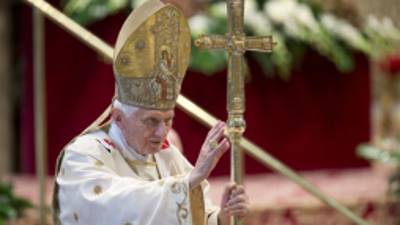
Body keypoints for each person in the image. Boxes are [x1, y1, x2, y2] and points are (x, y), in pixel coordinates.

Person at [52, 0, 250, 225]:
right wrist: (188, 182)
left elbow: (199, 216)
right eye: (151, 121)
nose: (162, 132)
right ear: (118, 117)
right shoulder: (83, 155)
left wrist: (222, 217)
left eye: (168, 120)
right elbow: (113, 208)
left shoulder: (167, 156)